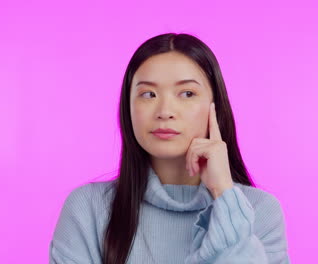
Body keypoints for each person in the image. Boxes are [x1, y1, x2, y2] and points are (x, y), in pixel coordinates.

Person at [49, 33, 290, 264]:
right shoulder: (88, 209)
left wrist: (224, 195)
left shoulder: (260, 212)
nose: (165, 111)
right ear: (128, 108)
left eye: (187, 93)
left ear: (215, 106)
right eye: (148, 94)